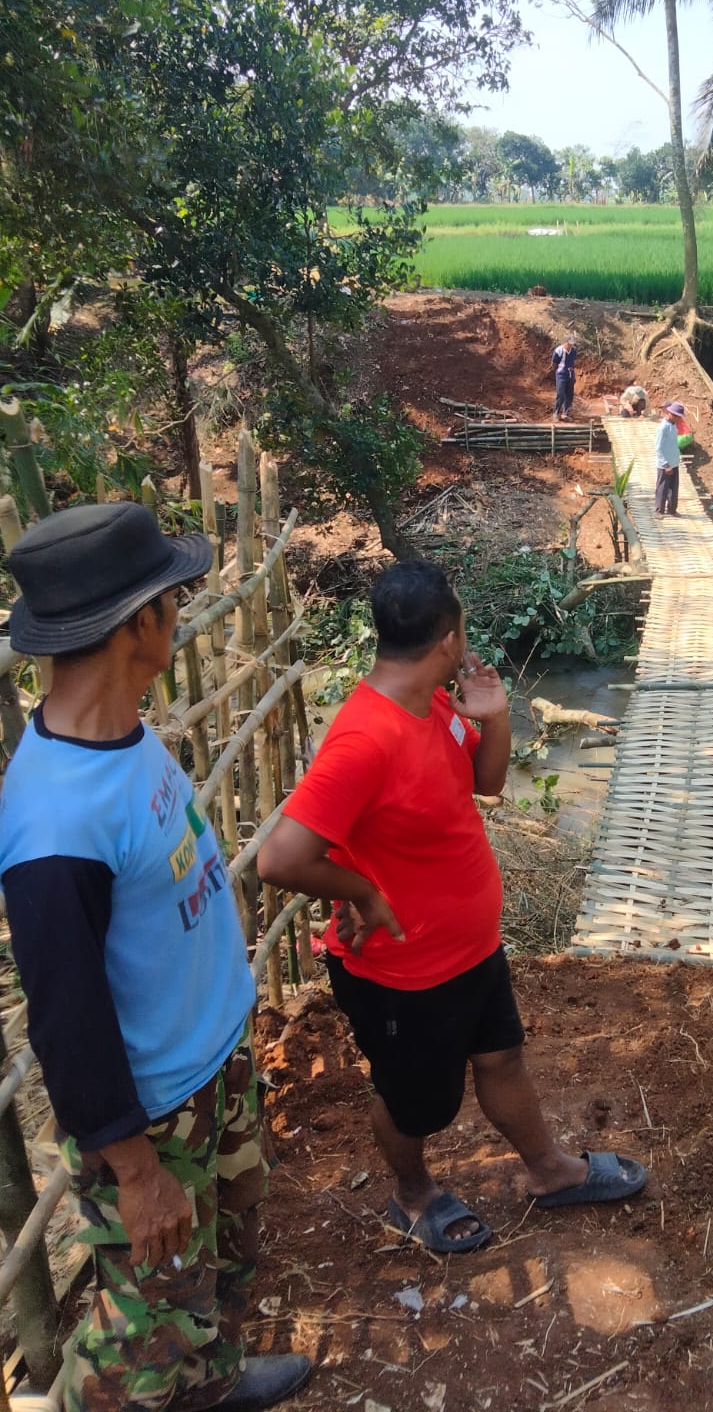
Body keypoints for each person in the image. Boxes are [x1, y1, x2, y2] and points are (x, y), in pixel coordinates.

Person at [0, 503, 311, 1412]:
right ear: (141, 623)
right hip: (155, 1116)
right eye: (173, 597)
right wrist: (136, 1172)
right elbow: (67, 1019)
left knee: (223, 1264)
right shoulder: (55, 824)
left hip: (211, 1065)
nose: (179, 612)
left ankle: (211, 1386)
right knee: (141, 1328)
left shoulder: (119, 740)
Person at [257, 560, 645, 1255]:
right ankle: (411, 1197)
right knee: (418, 1103)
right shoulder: (363, 739)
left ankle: (549, 1171)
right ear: (447, 637)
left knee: (503, 1060)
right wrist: (363, 893)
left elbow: (487, 784)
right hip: (402, 972)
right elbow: (280, 858)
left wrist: (493, 718)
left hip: (468, 949)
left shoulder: (433, 701)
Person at [654, 402, 684, 518]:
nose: (678, 418)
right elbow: (658, 448)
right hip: (665, 465)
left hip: (674, 462)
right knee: (662, 488)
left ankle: (672, 509)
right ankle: (659, 510)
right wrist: (665, 465)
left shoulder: (673, 425)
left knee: (673, 488)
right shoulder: (663, 428)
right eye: (677, 416)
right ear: (670, 414)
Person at [550, 334, 578, 422]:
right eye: (569, 344)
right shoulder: (558, 351)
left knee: (569, 395)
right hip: (561, 374)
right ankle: (555, 413)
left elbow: (573, 361)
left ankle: (565, 414)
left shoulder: (574, 350)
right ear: (565, 342)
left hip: (570, 374)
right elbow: (554, 363)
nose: (571, 345)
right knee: (560, 394)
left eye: (572, 344)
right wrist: (558, 372)